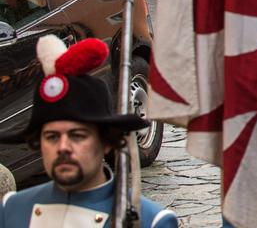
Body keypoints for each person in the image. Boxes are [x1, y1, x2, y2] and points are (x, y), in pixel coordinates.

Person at [0, 36, 178, 226]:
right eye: (51, 137)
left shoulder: (150, 221)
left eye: (77, 136)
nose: (63, 147)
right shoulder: (12, 210)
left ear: (107, 141)